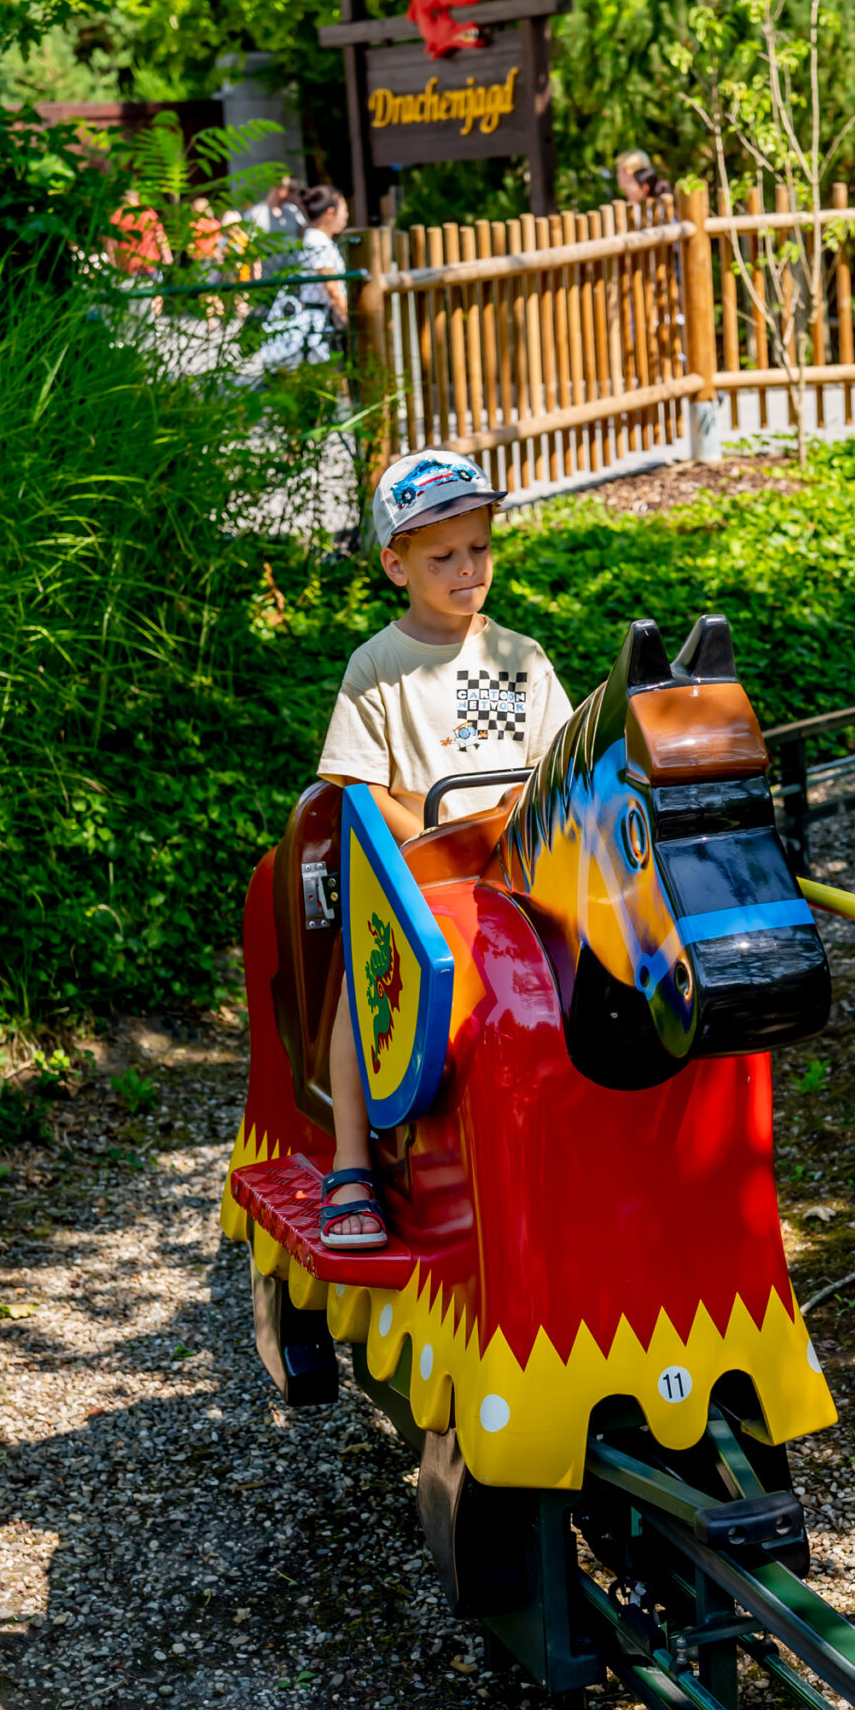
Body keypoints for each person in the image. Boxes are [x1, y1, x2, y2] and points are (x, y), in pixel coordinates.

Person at [314, 450, 575, 1247]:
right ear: (396, 566)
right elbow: (359, 787)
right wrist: (431, 845)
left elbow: (552, 769)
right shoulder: (378, 666)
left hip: (512, 873)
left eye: (479, 548)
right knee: (363, 986)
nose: (468, 568)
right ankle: (351, 1163)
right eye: (442, 556)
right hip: (416, 879)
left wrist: (518, 820)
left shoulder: (518, 658)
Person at [259, 183, 349, 369]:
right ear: (330, 213)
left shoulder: (317, 239)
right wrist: (347, 317)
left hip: (322, 318)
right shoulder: (317, 240)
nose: (347, 215)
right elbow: (331, 286)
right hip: (321, 321)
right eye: (344, 210)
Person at [241, 177, 306, 278]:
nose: (294, 194)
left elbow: (304, 235)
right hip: (268, 276)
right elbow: (251, 249)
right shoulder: (255, 214)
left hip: (295, 274)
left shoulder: (292, 210)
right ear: (278, 187)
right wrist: (254, 278)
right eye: (291, 189)